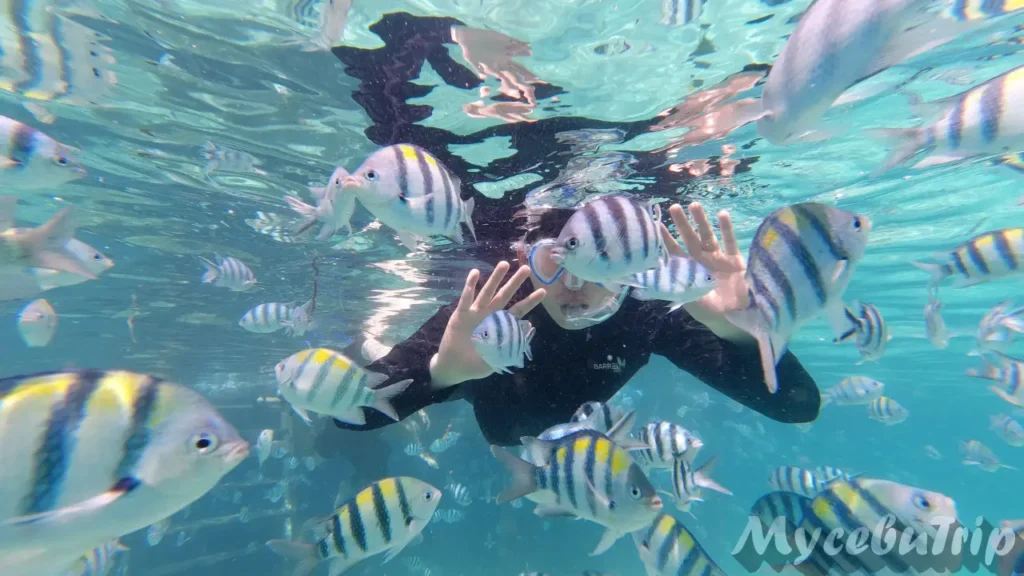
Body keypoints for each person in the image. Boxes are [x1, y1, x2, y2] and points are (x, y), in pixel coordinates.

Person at [315, 200, 820, 459]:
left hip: (543, 437)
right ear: (525, 260)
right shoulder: (494, 311)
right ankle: (381, 341)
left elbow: (796, 404)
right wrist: (443, 374)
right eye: (552, 262)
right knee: (430, 380)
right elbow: (350, 416)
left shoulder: (648, 312)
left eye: (603, 265)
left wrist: (737, 326)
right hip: (490, 414)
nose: (574, 283)